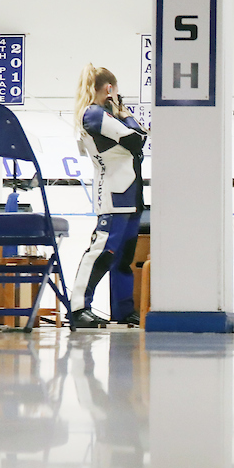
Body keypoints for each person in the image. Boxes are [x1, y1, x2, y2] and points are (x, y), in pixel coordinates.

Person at [69, 65, 146, 329]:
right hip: (114, 194)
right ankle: (78, 307)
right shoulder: (93, 114)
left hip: (130, 193)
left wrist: (123, 116)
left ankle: (123, 310)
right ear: (110, 89)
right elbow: (137, 139)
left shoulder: (102, 115)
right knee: (101, 251)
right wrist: (125, 114)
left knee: (123, 256)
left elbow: (135, 141)